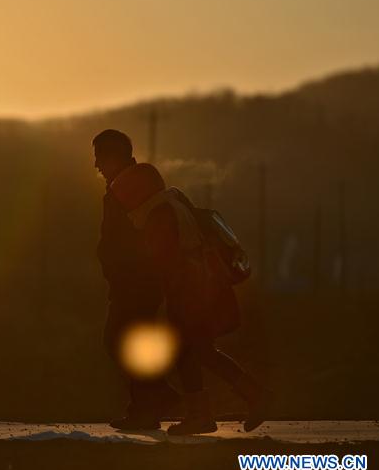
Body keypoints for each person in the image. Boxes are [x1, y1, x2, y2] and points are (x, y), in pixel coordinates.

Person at [106, 138, 274, 435]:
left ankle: (203, 414)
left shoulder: (158, 216)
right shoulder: (172, 202)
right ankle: (250, 396)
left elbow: (164, 261)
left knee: (187, 350)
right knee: (201, 350)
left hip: (188, 293)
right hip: (199, 289)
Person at [93, 129, 179, 430]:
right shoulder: (137, 184)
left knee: (120, 340)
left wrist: (116, 269)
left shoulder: (127, 189)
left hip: (134, 282)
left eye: (100, 158)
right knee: (129, 341)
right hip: (141, 281)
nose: (96, 166)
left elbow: (124, 240)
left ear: (113, 157)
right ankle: (148, 406)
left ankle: (153, 401)